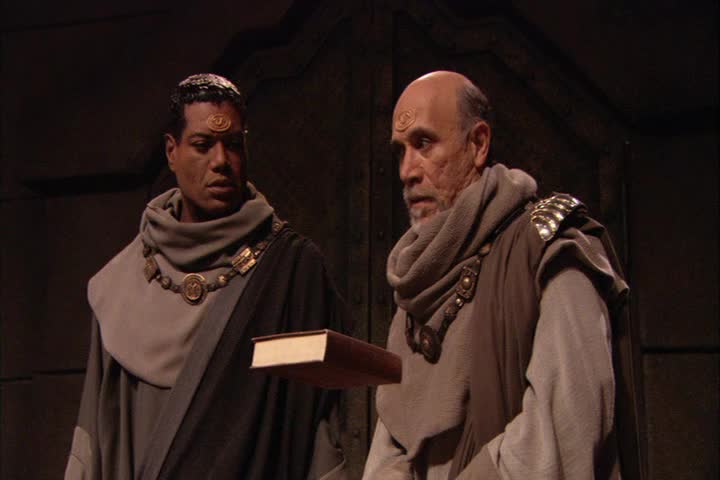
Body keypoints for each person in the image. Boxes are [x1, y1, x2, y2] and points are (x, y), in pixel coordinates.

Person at [65, 73, 347, 480]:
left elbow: (316, 433)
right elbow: (94, 438)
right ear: (171, 151)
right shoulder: (121, 285)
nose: (221, 161)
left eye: (232, 145)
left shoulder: (289, 272)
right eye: (202, 145)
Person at [362, 71, 641, 479]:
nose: (407, 171)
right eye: (400, 151)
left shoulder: (547, 249)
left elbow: (565, 426)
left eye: (423, 144)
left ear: (477, 144)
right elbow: (392, 442)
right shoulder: (416, 284)